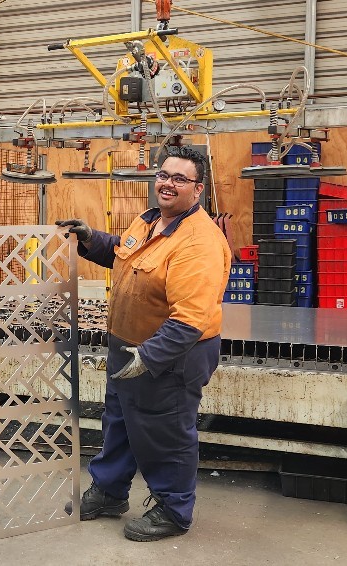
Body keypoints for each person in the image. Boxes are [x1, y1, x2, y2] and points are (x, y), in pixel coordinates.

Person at [56, 145, 230, 542]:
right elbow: (126, 255)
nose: (168, 184)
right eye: (164, 175)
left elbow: (190, 317)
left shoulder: (199, 241)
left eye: (180, 179)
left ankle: (173, 510)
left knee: (165, 432)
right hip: (128, 347)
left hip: (170, 355)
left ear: (198, 189)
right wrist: (91, 239)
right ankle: (110, 492)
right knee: (119, 423)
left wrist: (148, 357)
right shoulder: (149, 221)